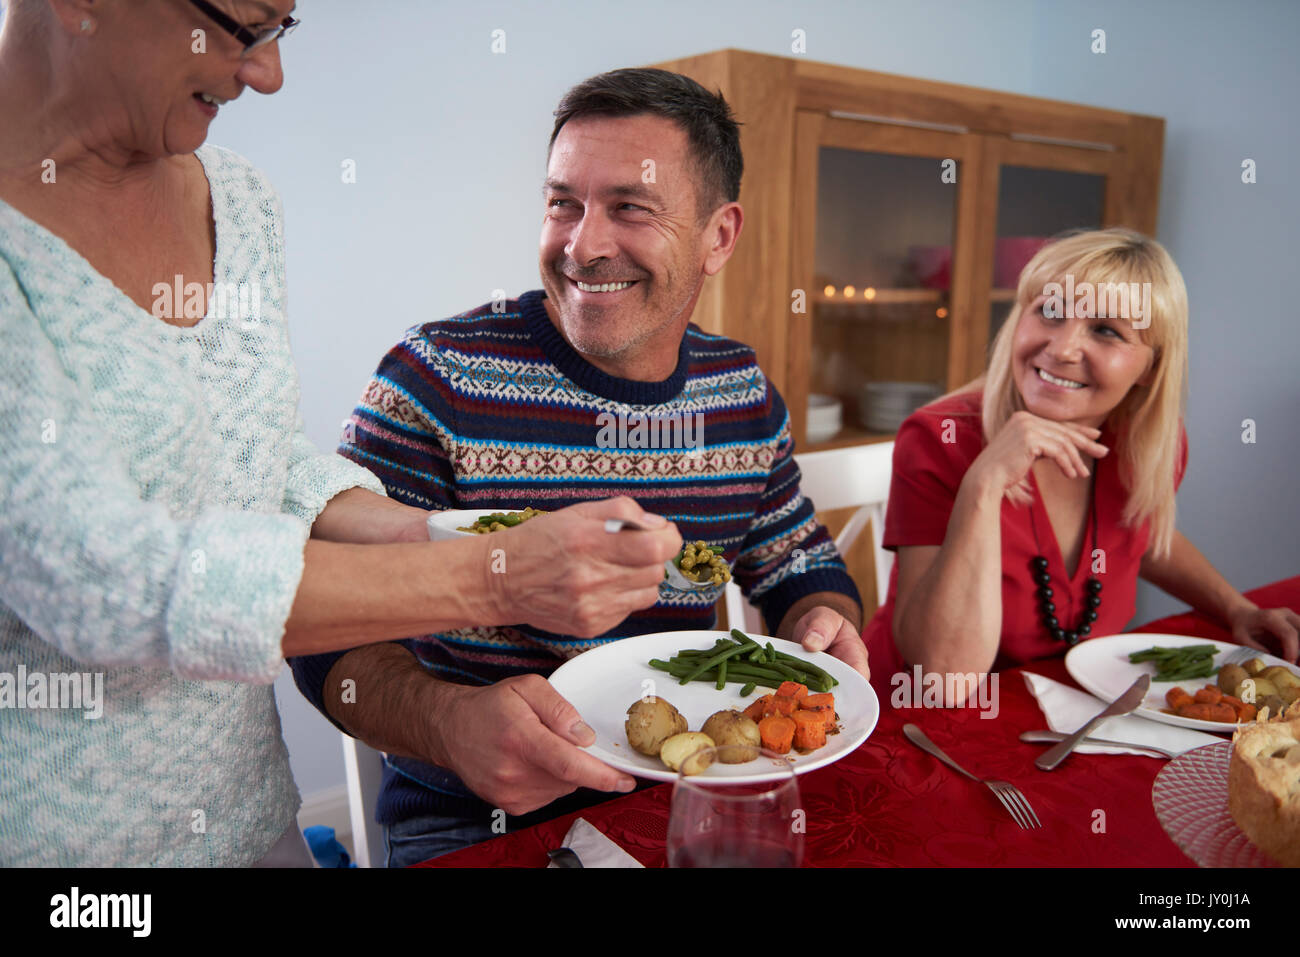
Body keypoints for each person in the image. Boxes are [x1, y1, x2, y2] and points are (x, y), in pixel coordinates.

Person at [0, 0, 678, 866]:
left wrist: (456, 531)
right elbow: (111, 579)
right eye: (243, 24)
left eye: (285, 26)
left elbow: (265, 462)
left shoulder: (238, 200)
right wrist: (498, 578)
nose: (268, 73)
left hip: (248, 812)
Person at [289, 67, 870, 865]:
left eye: (629, 207)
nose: (582, 245)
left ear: (718, 235)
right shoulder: (435, 374)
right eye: (564, 202)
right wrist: (446, 723)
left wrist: (820, 619)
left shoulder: (741, 392)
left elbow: (797, 559)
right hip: (471, 810)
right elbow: (315, 628)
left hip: (686, 789)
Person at [862, 227, 1299, 699]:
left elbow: (1139, 535)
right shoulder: (939, 438)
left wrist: (1236, 609)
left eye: (1106, 330)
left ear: (1151, 368)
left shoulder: (1146, 443)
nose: (1063, 349)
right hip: (918, 720)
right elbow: (943, 681)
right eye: (1050, 311)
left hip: (1070, 707)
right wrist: (984, 485)